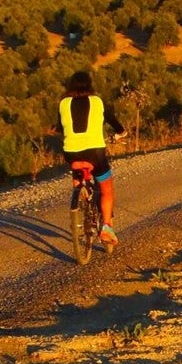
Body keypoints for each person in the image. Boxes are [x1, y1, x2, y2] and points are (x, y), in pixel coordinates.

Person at [55, 70, 127, 246]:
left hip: (71, 153)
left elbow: (60, 128)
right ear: (90, 85)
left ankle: (80, 191)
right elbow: (115, 123)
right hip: (94, 153)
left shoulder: (63, 103)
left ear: (70, 86)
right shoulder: (97, 101)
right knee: (107, 190)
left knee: (77, 168)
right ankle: (107, 227)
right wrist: (120, 133)